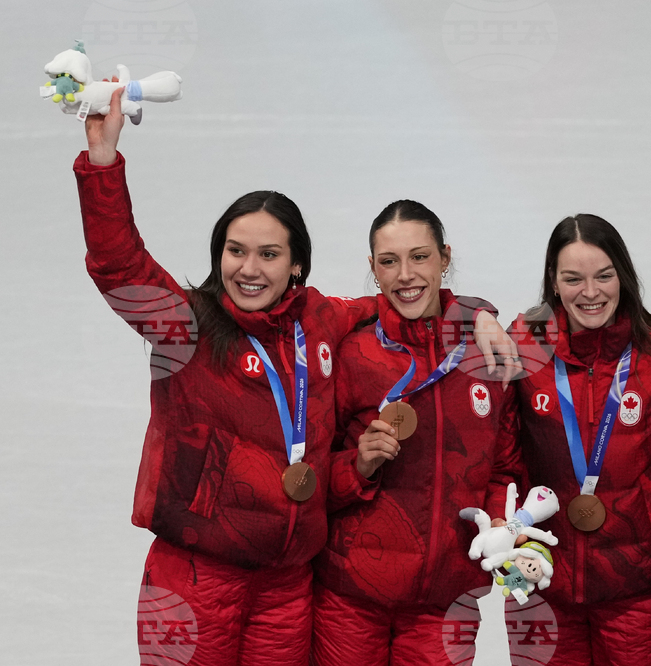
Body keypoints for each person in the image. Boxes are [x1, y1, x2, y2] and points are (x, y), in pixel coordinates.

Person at [76, 89, 519, 666]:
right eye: (235, 251)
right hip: (196, 572)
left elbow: (406, 301)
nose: (249, 268)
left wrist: (476, 313)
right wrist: (103, 163)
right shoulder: (186, 327)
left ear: (297, 267)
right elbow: (119, 266)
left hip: (287, 586)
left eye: (268, 254)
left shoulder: (320, 320)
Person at [311, 200, 523, 666]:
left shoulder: (485, 355)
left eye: (420, 257)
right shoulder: (352, 354)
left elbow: (505, 468)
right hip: (351, 596)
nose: (405, 275)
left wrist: (499, 524)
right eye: (389, 261)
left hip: (446, 601)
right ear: (373, 268)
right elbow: (310, 473)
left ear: (445, 258)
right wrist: (358, 466)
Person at [507, 214, 651, 665]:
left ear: (623, 276)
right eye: (573, 279)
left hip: (639, 584)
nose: (590, 293)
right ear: (553, 282)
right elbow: (499, 454)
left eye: (604, 276)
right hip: (537, 578)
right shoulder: (522, 349)